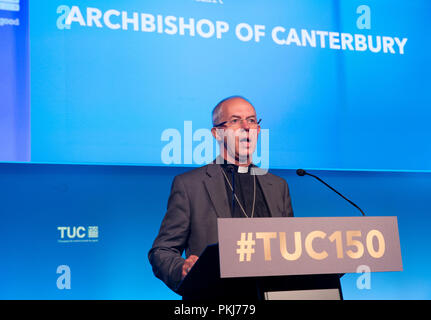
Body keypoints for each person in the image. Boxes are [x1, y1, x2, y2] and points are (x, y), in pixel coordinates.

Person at [148, 96, 294, 293]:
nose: (246, 127)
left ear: (258, 130)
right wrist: (181, 268)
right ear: (217, 133)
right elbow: (162, 251)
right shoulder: (190, 185)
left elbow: (292, 250)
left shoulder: (278, 186)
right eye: (235, 120)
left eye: (251, 120)